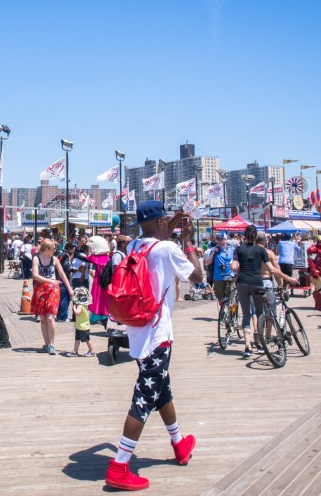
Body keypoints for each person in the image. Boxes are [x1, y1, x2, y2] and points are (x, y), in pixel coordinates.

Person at [104, 202, 203, 491]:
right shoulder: (168, 249)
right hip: (158, 335)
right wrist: (187, 241)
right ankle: (120, 465)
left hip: (137, 330)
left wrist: (171, 222)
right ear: (160, 223)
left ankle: (179, 443)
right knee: (145, 397)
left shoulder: (135, 245)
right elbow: (197, 277)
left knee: (162, 389)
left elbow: (157, 236)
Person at [231, 225, 284, 358]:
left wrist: (237, 269)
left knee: (246, 314)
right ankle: (259, 344)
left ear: (244, 235)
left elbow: (234, 266)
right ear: (255, 236)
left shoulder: (238, 249)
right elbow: (272, 269)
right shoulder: (261, 251)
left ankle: (247, 347)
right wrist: (288, 278)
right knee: (260, 313)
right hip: (256, 283)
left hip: (242, 283)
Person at [31, 238, 74, 356]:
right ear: (46, 249)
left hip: (53, 289)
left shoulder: (54, 259)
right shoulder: (36, 258)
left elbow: (62, 274)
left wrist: (69, 288)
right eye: (52, 249)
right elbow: (35, 275)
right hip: (40, 289)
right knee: (43, 319)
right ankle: (47, 343)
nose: (54, 251)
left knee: (50, 317)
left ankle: (52, 344)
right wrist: (49, 280)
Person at [85, 236, 112, 329]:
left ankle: (101, 318)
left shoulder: (95, 258)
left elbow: (86, 258)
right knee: (105, 300)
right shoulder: (108, 258)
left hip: (98, 282)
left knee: (98, 299)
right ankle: (105, 317)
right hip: (106, 283)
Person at [63, 287, 95, 357]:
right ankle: (75, 351)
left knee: (87, 339)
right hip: (80, 326)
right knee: (77, 339)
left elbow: (77, 313)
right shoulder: (84, 304)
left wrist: (74, 308)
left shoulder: (80, 305)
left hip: (83, 326)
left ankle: (91, 351)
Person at [205, 235, 235, 306]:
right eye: (218, 240)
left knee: (231, 297)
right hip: (218, 277)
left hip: (230, 277)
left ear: (226, 239)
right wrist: (213, 252)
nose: (219, 241)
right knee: (220, 298)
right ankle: (223, 312)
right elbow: (208, 262)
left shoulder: (232, 249)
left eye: (221, 239)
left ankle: (231, 313)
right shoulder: (214, 250)